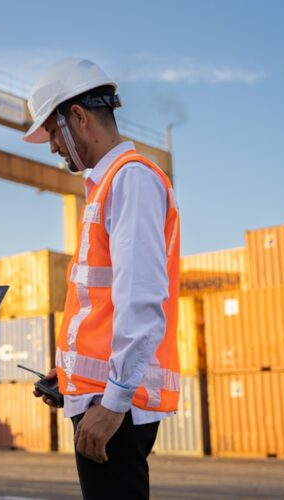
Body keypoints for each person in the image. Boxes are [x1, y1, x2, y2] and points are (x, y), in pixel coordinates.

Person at [25, 59, 181, 499]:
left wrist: (113, 402)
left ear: (78, 116)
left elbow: (142, 299)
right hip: (100, 397)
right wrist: (69, 377)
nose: (53, 147)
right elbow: (103, 307)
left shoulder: (129, 180)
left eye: (53, 133)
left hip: (113, 409)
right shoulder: (108, 187)